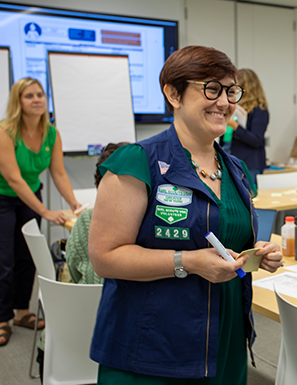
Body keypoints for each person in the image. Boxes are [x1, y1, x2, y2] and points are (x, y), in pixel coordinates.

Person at [88, 45, 283, 384]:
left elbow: (227, 244)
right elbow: (105, 258)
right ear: (173, 94)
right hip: (151, 346)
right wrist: (189, 262)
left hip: (225, 335)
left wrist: (256, 255)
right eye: (211, 88)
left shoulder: (235, 169)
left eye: (231, 90)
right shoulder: (137, 161)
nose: (224, 102)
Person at [36, 141, 128, 380]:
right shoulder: (152, 227)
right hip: (124, 351)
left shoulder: (87, 220)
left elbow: (74, 273)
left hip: (68, 344)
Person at [0, 77, 81, 347]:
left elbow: (58, 172)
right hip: (3, 196)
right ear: (18, 102)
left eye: (40, 94)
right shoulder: (5, 132)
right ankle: (2, 318)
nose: (36, 99)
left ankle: (22, 311)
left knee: (27, 256)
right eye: (29, 96)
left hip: (30, 195)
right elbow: (13, 179)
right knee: (4, 259)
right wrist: (45, 212)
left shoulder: (51, 133)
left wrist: (73, 204)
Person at [225, 68, 269, 182]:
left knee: (249, 197)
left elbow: (256, 140)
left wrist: (235, 126)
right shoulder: (234, 106)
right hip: (233, 159)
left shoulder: (260, 110)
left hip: (250, 164)